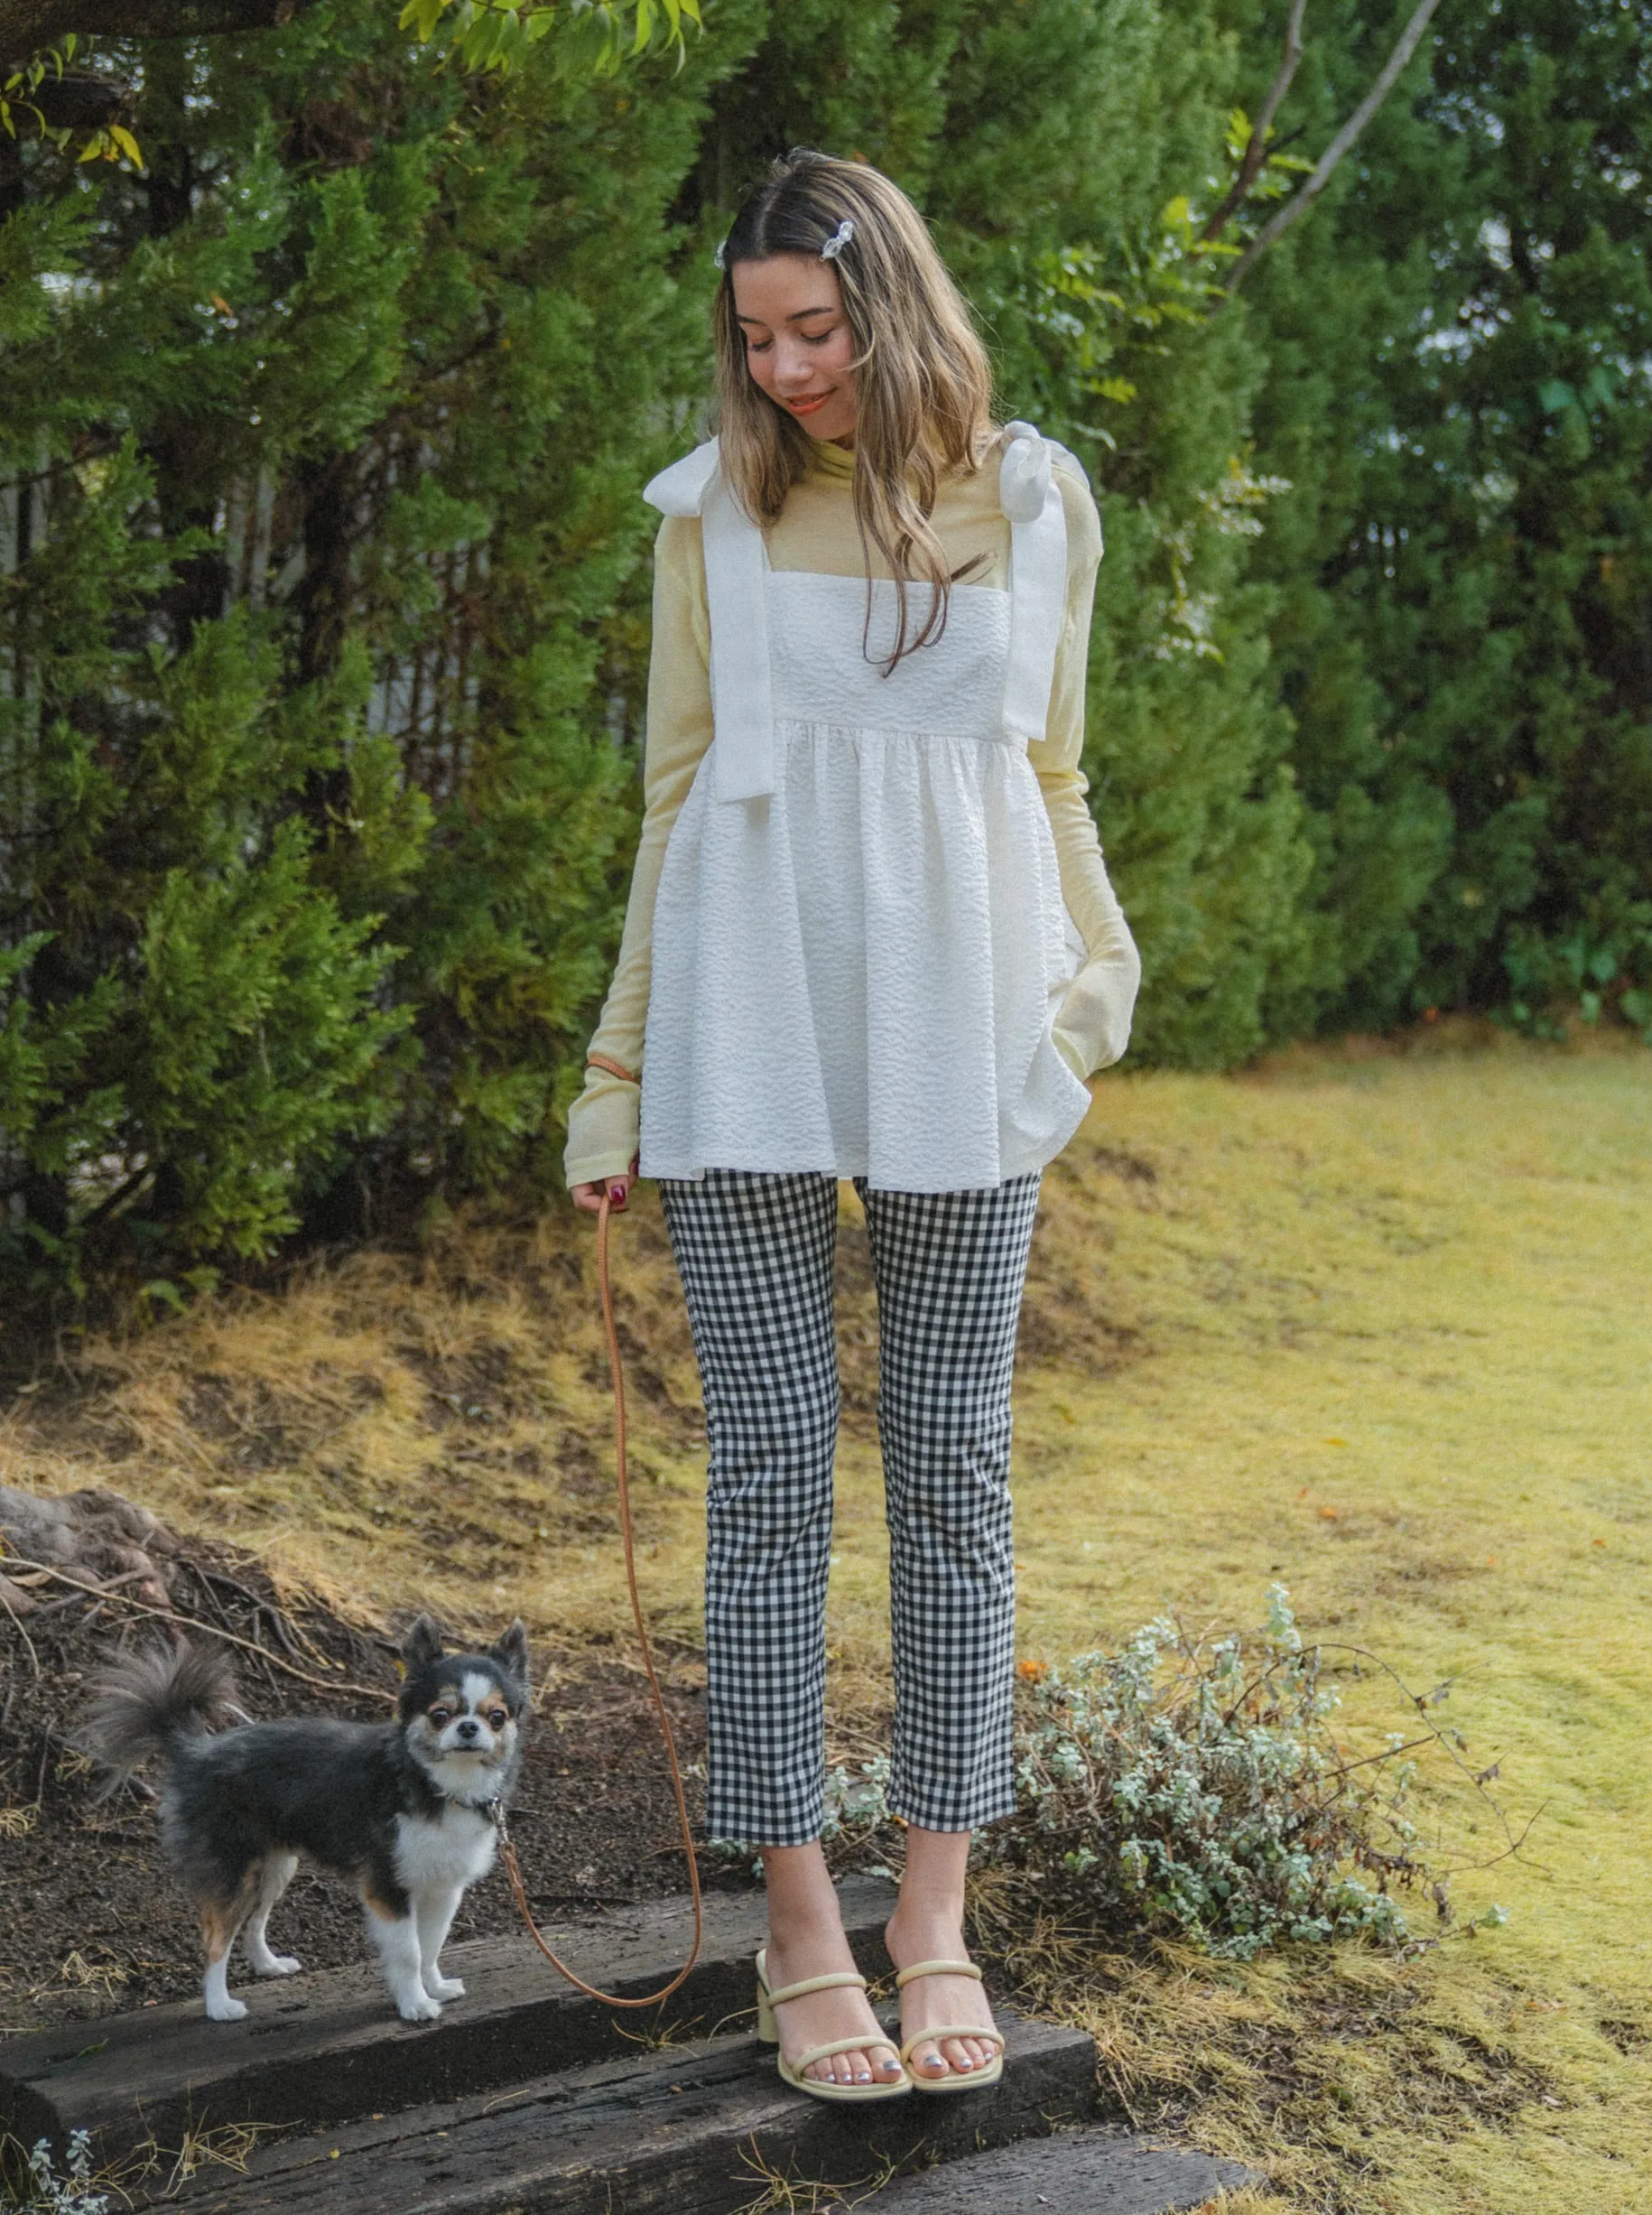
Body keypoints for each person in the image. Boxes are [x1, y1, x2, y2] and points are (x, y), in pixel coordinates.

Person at [566, 148, 1139, 2103]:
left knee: (958, 1462)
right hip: (738, 1031)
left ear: (892, 308)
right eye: (754, 336)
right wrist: (613, 1066)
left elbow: (1049, 775)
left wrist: (1095, 973)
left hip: (961, 1036)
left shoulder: (1042, 502)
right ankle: (798, 1919)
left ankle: (933, 1907)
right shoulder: (710, 511)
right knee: (768, 1463)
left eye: (814, 328)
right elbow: (668, 797)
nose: (784, 369)